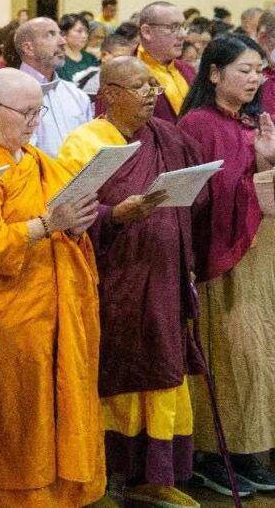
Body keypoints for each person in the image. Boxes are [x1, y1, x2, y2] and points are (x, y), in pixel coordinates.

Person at [56, 57, 212, 507]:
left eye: (153, 87)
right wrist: (114, 216)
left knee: (165, 372)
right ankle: (109, 473)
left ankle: (157, 474)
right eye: (140, 86)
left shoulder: (167, 137)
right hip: (114, 280)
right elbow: (67, 215)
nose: (150, 94)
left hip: (163, 276)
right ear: (110, 93)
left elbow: (197, 195)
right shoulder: (82, 144)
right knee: (116, 373)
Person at [0, 68, 105, 506]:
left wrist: (77, 224)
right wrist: (48, 225)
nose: (34, 121)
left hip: (59, 304)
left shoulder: (41, 161)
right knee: (19, 416)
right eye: (25, 112)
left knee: (63, 405)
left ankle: (62, 493)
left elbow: (68, 221)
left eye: (38, 111)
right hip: (10, 312)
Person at [178, 35, 275, 495]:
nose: (255, 79)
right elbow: (201, 199)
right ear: (213, 73)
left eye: (259, 70)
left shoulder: (250, 123)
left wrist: (264, 161)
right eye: (244, 70)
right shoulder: (199, 124)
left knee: (257, 357)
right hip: (219, 259)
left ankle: (248, 448)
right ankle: (214, 453)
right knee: (229, 356)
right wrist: (256, 172)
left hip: (258, 257)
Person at [14, 17, 93, 157]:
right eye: (51, 35)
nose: (63, 42)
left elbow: (88, 148)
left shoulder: (76, 95)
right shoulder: (9, 94)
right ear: (28, 48)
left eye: (60, 34)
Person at [137, 2, 197, 123]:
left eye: (184, 27)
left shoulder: (187, 70)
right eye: (173, 27)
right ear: (147, 32)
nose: (183, 35)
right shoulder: (124, 72)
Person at [57, 14, 97, 81]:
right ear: (63, 33)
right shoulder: (57, 59)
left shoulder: (91, 58)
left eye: (86, 32)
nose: (84, 36)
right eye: (79, 31)